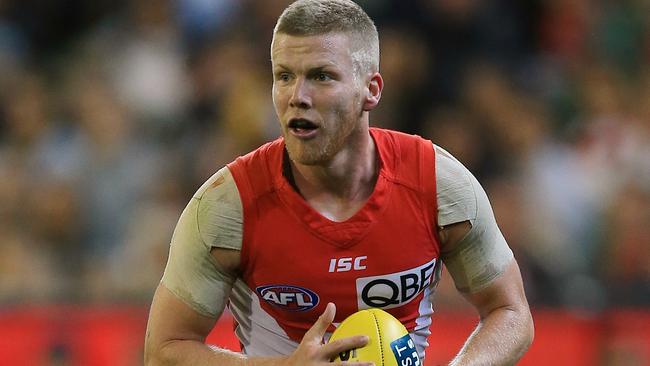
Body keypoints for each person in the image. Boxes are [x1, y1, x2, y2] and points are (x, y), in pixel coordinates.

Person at [144, 0, 534, 365]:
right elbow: (164, 349)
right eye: (284, 76)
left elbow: (510, 311)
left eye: (321, 76)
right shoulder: (228, 205)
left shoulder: (438, 184)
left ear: (371, 90)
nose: (298, 96)